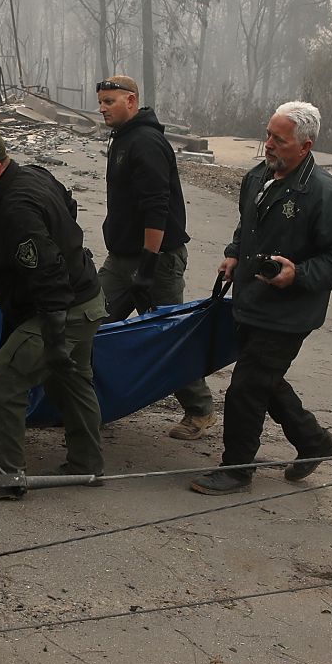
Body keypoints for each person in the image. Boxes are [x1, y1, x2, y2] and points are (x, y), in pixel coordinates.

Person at [191, 100, 332, 495]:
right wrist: (235, 253)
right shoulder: (257, 177)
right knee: (266, 381)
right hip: (251, 302)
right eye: (268, 134)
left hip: (289, 313)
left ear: (305, 146)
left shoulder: (322, 192)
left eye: (279, 139)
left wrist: (298, 274)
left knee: (246, 389)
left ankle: (236, 470)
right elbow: (246, 226)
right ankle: (313, 440)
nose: (267, 144)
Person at [0, 125, 107, 495]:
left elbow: (45, 269)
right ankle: (86, 465)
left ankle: (5, 475)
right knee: (71, 381)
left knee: (1, 382)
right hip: (85, 299)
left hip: (62, 309)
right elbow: (68, 205)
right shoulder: (34, 175)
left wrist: (55, 332)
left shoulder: (16, 207)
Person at [95, 74, 218, 440]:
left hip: (156, 260)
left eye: (110, 102)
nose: (102, 108)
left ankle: (200, 410)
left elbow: (157, 208)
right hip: (122, 259)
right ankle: (93, 403)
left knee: (169, 336)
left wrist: (148, 266)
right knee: (91, 321)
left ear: (131, 101)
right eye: (100, 102)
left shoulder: (146, 142)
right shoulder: (122, 139)